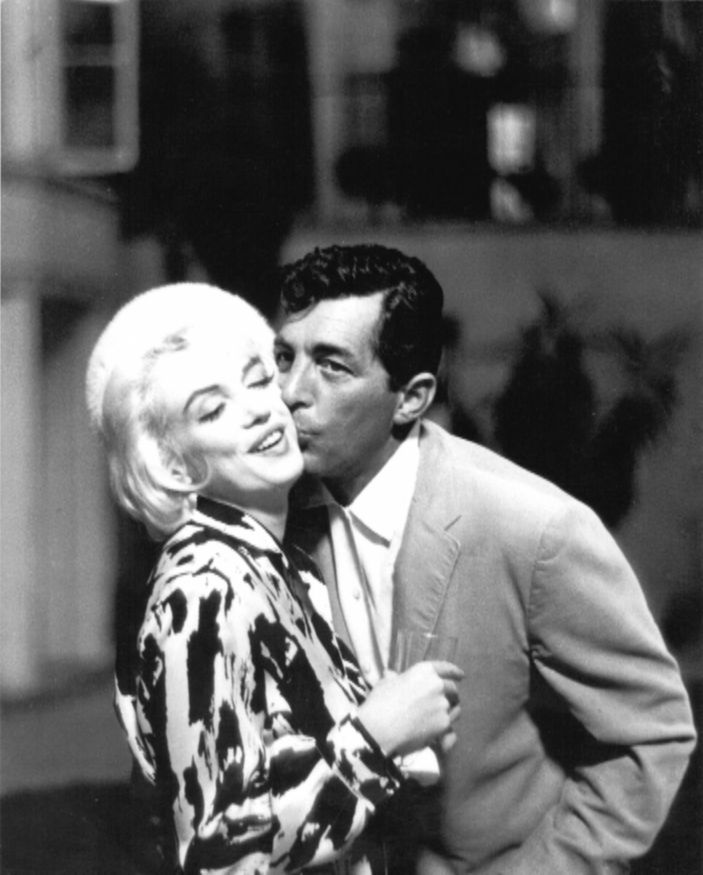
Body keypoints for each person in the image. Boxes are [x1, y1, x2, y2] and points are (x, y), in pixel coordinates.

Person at [274, 244, 697, 875]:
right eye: (285, 357)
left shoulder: (534, 527)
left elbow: (654, 732)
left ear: (412, 398)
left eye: (332, 366)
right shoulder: (273, 513)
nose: (289, 392)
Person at [85, 282, 463, 874]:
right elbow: (221, 859)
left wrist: (398, 729)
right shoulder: (205, 587)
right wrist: (378, 735)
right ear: (175, 466)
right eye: (212, 410)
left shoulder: (278, 566)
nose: (260, 410)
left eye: (259, 380)